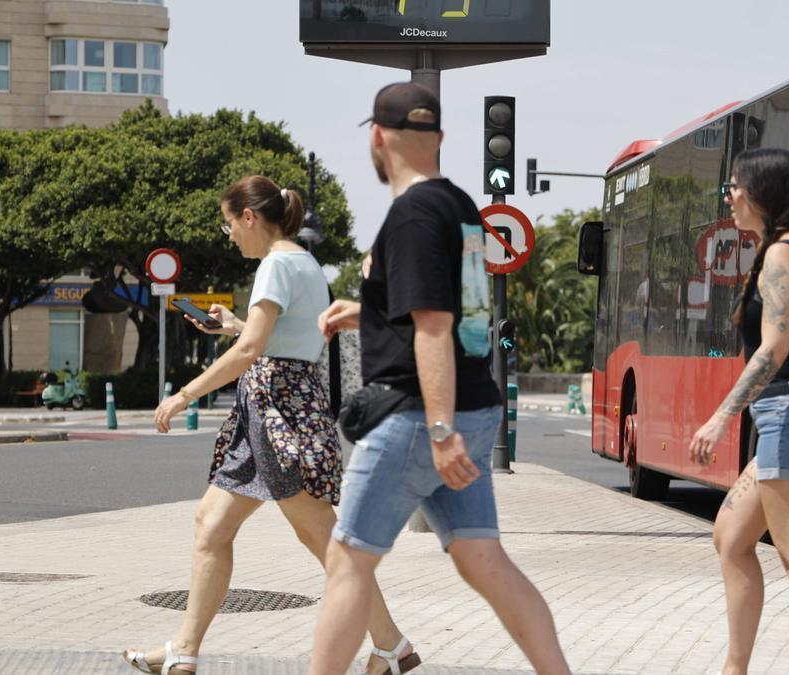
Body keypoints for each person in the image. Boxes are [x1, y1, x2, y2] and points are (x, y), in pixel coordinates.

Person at [307, 82, 571, 675]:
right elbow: (457, 312)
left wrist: (440, 428)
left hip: (419, 419)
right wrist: (369, 311)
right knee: (483, 558)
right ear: (441, 139)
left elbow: (434, 325)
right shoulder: (458, 205)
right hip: (473, 407)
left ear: (377, 138)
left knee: (348, 561)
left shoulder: (412, 214)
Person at [122, 175, 418, 675]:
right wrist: (234, 325)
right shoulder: (302, 262)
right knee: (211, 525)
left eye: (229, 225)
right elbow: (285, 337)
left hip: (277, 411)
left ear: (250, 217)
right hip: (273, 407)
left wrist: (185, 393)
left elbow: (254, 351)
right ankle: (184, 649)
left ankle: (391, 645)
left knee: (323, 539)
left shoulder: (276, 264)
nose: (230, 235)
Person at [688, 148, 789, 675]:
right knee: (730, 539)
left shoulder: (783, 256)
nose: (729, 197)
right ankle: (736, 668)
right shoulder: (788, 249)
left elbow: (773, 349)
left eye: (735, 187)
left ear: (763, 193)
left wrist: (720, 417)